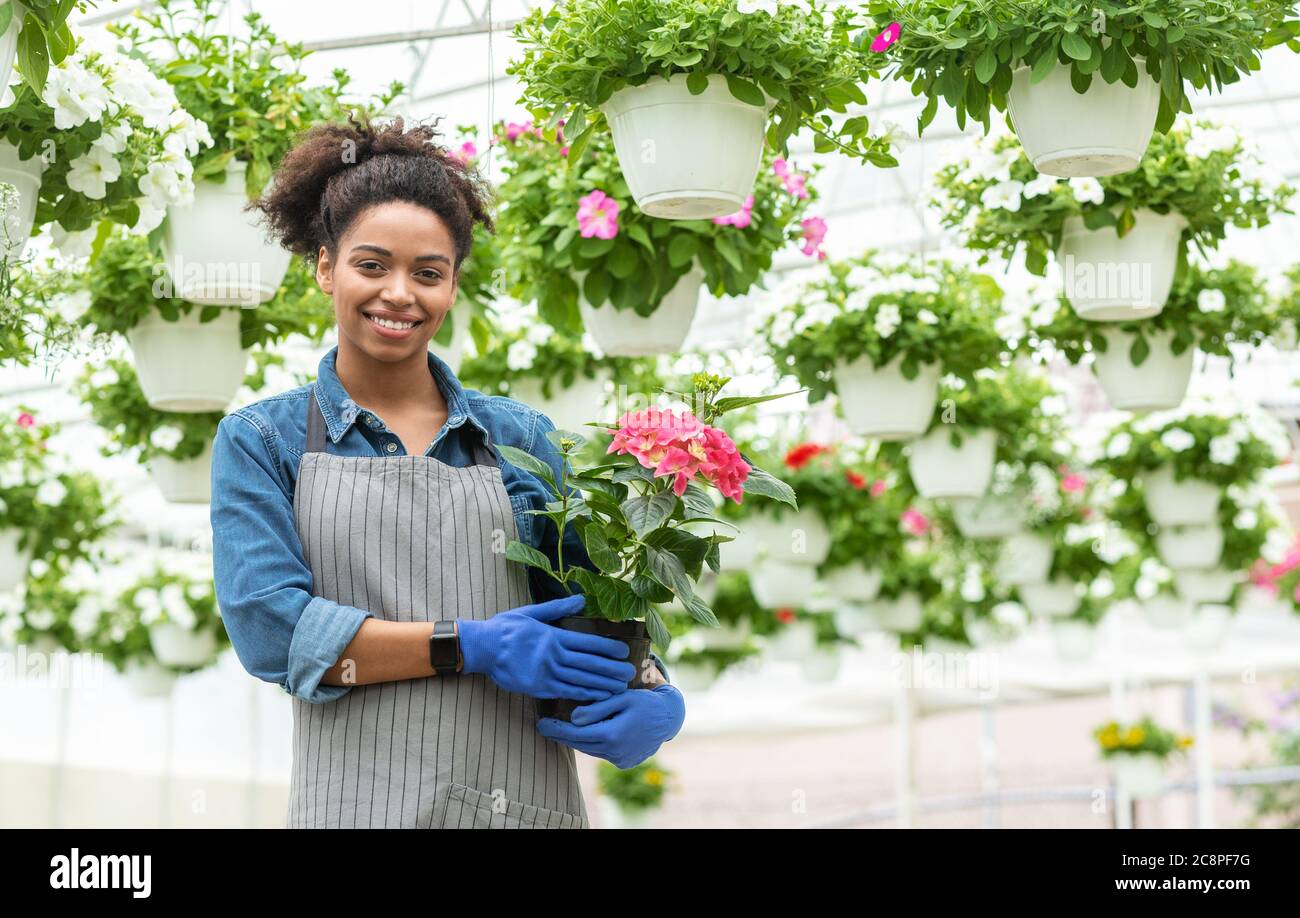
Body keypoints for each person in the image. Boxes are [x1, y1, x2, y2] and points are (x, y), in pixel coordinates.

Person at [209, 115, 685, 829]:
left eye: (428, 274)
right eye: (372, 265)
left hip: (520, 806)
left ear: (453, 285)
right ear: (324, 266)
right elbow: (273, 632)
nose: (399, 293)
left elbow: (592, 605)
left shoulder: (519, 438)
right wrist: (471, 646)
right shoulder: (264, 441)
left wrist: (652, 691)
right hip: (355, 809)